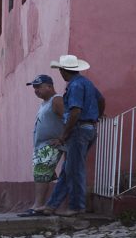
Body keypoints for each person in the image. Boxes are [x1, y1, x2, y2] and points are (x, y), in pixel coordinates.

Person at [42, 54, 106, 217]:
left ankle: (76, 206)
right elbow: (101, 99)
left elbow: (75, 111)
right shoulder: (86, 83)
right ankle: (52, 205)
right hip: (89, 128)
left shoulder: (75, 86)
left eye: (60, 70)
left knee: (75, 170)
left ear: (64, 71)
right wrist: (97, 115)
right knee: (68, 169)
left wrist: (64, 135)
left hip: (78, 130)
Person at [17, 74, 65, 217]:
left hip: (51, 144)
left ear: (49, 86)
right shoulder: (45, 103)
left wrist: (62, 138)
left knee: (42, 174)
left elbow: (68, 119)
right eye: (34, 88)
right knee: (41, 174)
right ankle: (39, 205)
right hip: (42, 146)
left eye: (38, 87)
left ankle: (38, 205)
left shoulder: (56, 100)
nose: (36, 90)